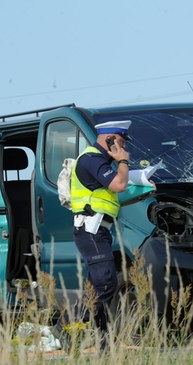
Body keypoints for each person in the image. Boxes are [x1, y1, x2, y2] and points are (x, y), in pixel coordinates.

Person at [64, 120, 131, 341]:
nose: (123, 148)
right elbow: (119, 185)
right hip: (90, 229)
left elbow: (114, 193)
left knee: (97, 287)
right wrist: (122, 160)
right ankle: (63, 326)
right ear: (109, 139)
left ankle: (103, 339)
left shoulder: (101, 161)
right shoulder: (92, 159)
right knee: (105, 282)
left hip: (99, 230)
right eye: (120, 142)